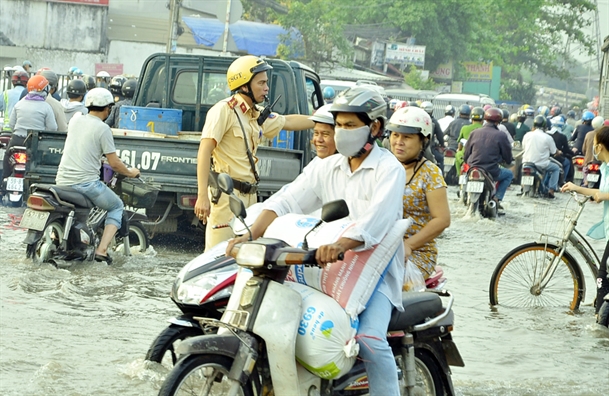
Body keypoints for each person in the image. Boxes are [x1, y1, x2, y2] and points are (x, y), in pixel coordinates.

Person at [227, 86, 406, 396]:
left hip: (375, 273)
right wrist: (250, 234)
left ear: (374, 127)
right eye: (338, 125)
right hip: (326, 266)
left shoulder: (389, 170)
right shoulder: (327, 166)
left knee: (369, 340)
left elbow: (376, 220)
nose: (341, 132)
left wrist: (341, 245)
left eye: (350, 125)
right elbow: (287, 200)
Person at [194, 55, 315, 251]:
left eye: (266, 82)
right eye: (261, 83)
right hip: (226, 196)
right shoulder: (224, 111)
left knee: (244, 256)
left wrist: (324, 119)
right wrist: (202, 196)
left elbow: (289, 122)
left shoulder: (254, 114)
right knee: (219, 256)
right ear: (244, 86)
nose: (266, 88)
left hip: (250, 197)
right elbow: (204, 151)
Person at [55, 88, 140, 263]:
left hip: (61, 181)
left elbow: (84, 146)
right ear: (108, 108)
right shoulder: (103, 129)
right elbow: (115, 163)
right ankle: (102, 250)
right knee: (116, 205)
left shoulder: (75, 121)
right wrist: (131, 173)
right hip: (85, 184)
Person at [387, 106, 450, 280]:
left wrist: (409, 245)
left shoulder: (430, 173)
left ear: (423, 141)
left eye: (406, 137)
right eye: (395, 135)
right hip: (380, 247)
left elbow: (442, 219)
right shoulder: (381, 166)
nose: (399, 141)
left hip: (416, 252)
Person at [561, 125, 609, 315]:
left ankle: (600, 325)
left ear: (601, 146)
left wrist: (603, 196)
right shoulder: (604, 168)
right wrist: (576, 188)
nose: (594, 147)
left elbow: (603, 194)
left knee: (602, 278)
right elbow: (599, 192)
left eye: (595, 144)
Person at [2, 75, 57, 197]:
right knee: (35, 167)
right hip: (35, 143)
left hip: (16, 141)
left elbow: (11, 125)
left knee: (7, 160)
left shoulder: (19, 104)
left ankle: (3, 185)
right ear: (44, 89)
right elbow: (53, 128)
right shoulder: (46, 107)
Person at [463, 108, 514, 208]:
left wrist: (468, 162)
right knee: (509, 174)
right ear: (499, 121)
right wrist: (507, 160)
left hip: (473, 169)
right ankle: (497, 198)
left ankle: (464, 195)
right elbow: (508, 157)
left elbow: (466, 154)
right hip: (491, 171)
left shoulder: (474, 132)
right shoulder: (501, 135)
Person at [522, 115, 560, 198]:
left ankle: (522, 186)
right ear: (545, 126)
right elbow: (554, 152)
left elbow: (524, 147)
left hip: (526, 162)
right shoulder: (548, 137)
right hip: (542, 164)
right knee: (556, 168)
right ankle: (551, 190)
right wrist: (559, 152)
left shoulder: (527, 135)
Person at [455, 107, 484, 173]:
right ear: (483, 119)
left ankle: (460, 177)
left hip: (466, 156)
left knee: (457, 154)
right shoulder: (485, 129)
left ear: (471, 118)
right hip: (481, 156)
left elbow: (460, 144)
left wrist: (459, 150)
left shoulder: (464, 128)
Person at [547, 115, 572, 185]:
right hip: (556, 157)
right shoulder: (562, 136)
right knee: (567, 162)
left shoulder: (547, 134)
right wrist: (572, 153)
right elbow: (566, 149)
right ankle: (562, 181)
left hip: (546, 156)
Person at [420, 101, 444, 171]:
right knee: (440, 159)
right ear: (431, 111)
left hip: (417, 148)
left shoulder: (417, 120)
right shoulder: (433, 122)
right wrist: (442, 144)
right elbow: (440, 135)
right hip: (429, 148)